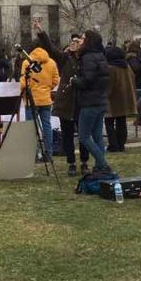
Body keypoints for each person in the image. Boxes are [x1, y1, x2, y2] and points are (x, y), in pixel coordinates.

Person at [34, 20, 89, 177]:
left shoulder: (86, 60)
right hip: (66, 101)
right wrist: (41, 31)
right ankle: (71, 163)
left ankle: (84, 162)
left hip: (81, 102)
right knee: (67, 134)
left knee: (84, 134)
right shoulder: (65, 58)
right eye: (72, 41)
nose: (73, 43)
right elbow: (51, 49)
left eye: (77, 41)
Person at [72, 30, 111, 173]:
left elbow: (87, 80)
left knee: (84, 136)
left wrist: (75, 81)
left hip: (89, 102)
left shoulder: (87, 57)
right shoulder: (101, 55)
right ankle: (100, 166)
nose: (80, 40)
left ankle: (102, 162)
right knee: (97, 135)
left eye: (83, 38)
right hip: (101, 100)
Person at [19, 45, 59, 161]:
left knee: (31, 128)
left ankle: (34, 154)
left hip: (31, 100)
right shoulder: (51, 62)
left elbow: (23, 83)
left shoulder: (27, 62)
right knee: (47, 126)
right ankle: (49, 153)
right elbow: (55, 80)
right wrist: (47, 88)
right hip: (46, 99)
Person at [104, 45, 137, 153]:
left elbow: (109, 86)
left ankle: (113, 145)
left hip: (113, 100)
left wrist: (104, 95)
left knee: (109, 122)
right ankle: (121, 144)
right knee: (121, 122)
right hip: (125, 98)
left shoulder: (110, 68)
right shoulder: (126, 66)